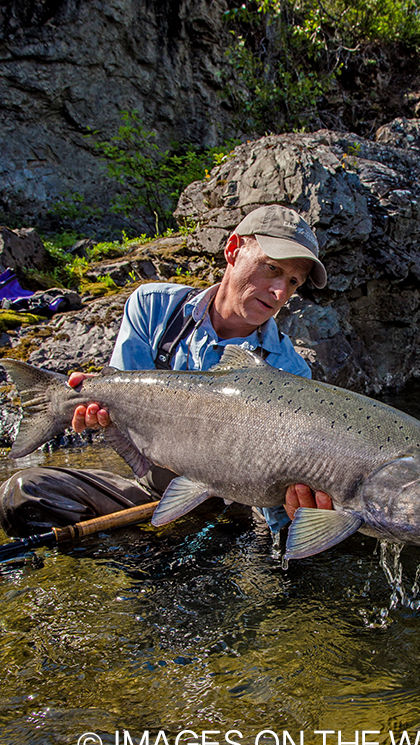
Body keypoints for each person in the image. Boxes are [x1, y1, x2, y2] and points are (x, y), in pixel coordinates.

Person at [0, 205, 333, 536]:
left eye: (292, 282)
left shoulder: (290, 371)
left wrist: (295, 511)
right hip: (152, 490)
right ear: (233, 250)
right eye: (271, 268)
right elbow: (120, 397)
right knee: (24, 494)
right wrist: (93, 410)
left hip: (235, 510)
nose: (279, 293)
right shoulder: (153, 306)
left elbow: (279, 496)